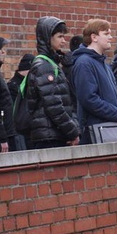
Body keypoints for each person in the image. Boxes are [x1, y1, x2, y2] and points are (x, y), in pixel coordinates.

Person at [26, 16, 81, 149]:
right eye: (59, 36)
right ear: (47, 38)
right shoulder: (44, 66)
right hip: (49, 137)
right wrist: (73, 132)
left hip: (54, 133)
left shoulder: (51, 64)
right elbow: (54, 105)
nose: (63, 41)